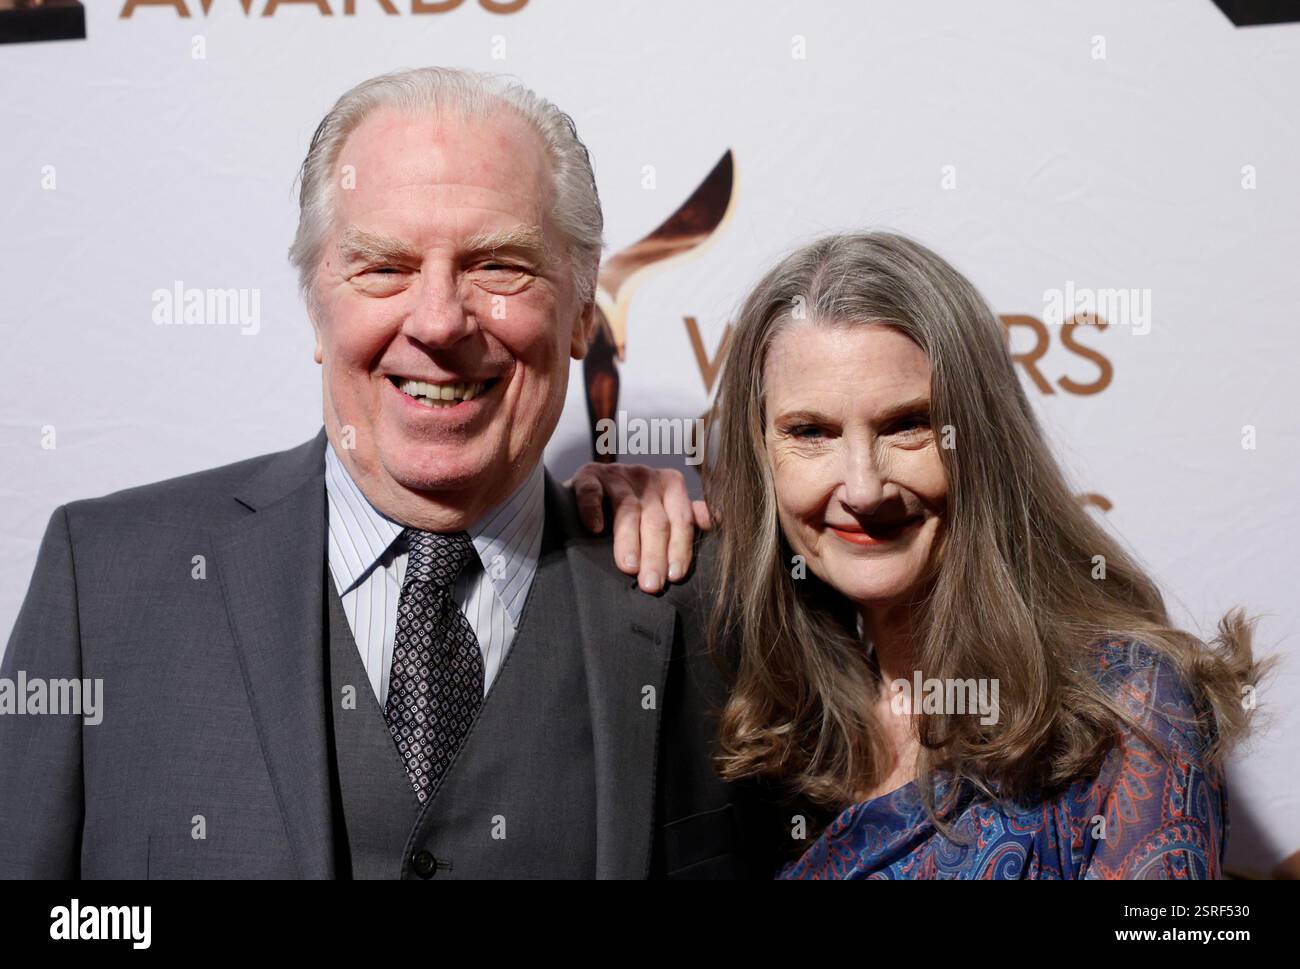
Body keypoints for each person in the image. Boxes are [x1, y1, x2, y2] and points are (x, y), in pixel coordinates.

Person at [0, 67, 777, 880]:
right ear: (314, 305)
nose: (439, 320)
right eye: (383, 267)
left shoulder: (712, 606)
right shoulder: (104, 582)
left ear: (584, 313)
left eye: (498, 264)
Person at [571, 231, 1269, 878]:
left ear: (984, 441)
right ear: (762, 462)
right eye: (810, 432)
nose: (864, 486)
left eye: (908, 424)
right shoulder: (766, 709)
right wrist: (596, 518)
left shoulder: (1129, 707)